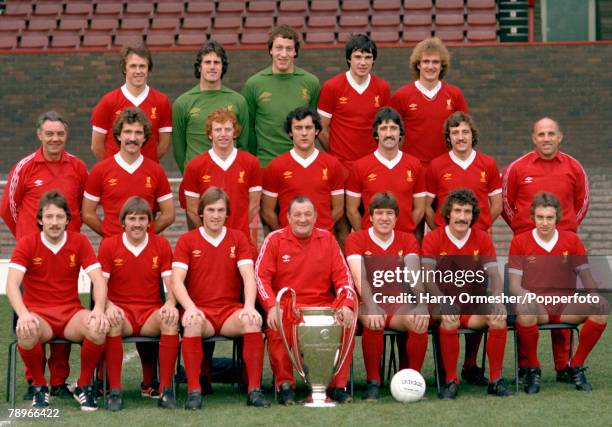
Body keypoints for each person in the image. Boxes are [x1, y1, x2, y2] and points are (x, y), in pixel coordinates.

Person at [0, 111, 88, 400]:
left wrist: (68, 239)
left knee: (65, 311)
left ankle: (60, 381)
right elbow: (8, 208)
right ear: (39, 134)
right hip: (31, 259)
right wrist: (27, 239)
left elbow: (82, 208)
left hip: (65, 256)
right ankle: (33, 382)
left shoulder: (77, 167)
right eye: (49, 133)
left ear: (66, 135)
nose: (55, 139)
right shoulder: (25, 166)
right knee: (29, 320)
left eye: (60, 134)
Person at [502, 117, 589, 382]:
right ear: (534, 138)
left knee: (561, 302)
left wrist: (565, 234)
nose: (547, 138)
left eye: (551, 133)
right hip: (527, 249)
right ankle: (528, 367)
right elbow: (507, 203)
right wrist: (523, 231)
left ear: (560, 137)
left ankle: (564, 367)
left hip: (562, 249)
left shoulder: (574, 167)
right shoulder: (517, 168)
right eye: (541, 134)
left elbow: (581, 204)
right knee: (527, 304)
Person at [6, 191, 109, 411]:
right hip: (39, 315)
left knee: (98, 326)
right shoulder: (28, 243)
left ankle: (83, 386)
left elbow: (99, 280)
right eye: (49, 217)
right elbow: (12, 284)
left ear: (67, 219)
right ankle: (39, 387)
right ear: (40, 219)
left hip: (70, 314)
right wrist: (23, 314)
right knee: (25, 330)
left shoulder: (79, 241)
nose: (54, 222)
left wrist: (99, 309)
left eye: (59, 217)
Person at [170, 187, 271, 409]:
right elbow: (177, 281)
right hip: (200, 310)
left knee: (252, 321)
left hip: (228, 312)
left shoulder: (238, 238)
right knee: (192, 322)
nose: (216, 215)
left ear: (227, 214)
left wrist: (249, 307)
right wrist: (189, 308)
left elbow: (248, 276)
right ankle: (195, 391)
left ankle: (254, 389)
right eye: (211, 210)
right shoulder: (187, 240)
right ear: (201, 213)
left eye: (221, 210)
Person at [256, 196, 356, 404]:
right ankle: (285, 385)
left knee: (346, 319)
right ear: (288, 218)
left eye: (308, 214)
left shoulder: (327, 239)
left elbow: (343, 277)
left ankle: (338, 385)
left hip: (323, 306)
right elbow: (261, 277)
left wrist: (346, 303)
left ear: (315, 217)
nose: (303, 219)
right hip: (288, 307)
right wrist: (270, 306)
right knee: (276, 324)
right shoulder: (274, 239)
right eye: (298, 215)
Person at [509, 192, 608, 394]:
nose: (544, 222)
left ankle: (576, 365)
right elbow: (514, 286)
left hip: (565, 306)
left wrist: (594, 294)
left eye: (549, 217)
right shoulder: (520, 241)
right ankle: (533, 368)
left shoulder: (571, 240)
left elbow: (586, 276)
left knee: (601, 308)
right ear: (533, 217)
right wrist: (525, 295)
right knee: (525, 309)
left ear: (557, 217)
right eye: (540, 217)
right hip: (538, 305)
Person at [421, 189, 513, 399]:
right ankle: (451, 380)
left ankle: (495, 380)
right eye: (458, 211)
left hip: (471, 305)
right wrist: (442, 302)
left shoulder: (481, 238)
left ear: (473, 215)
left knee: (498, 318)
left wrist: (497, 299)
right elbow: (426, 278)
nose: (462, 217)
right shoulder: (433, 238)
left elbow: (494, 275)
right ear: (448, 214)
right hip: (440, 304)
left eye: (467, 212)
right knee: (449, 319)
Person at [345, 192, 429, 401]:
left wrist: (421, 304)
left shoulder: (407, 239)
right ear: (370, 217)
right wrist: (372, 306)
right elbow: (358, 276)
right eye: (379, 213)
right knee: (374, 320)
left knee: (418, 320)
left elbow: (414, 275)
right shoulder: (356, 239)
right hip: (367, 302)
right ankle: (373, 382)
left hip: (397, 303)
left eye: (389, 213)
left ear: (396, 217)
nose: (384, 218)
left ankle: (414, 379)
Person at [98, 197, 180, 411]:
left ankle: (165, 390)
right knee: (112, 321)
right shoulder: (109, 245)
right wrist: (108, 306)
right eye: (132, 218)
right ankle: (115, 391)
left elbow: (170, 282)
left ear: (149, 222)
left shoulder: (161, 244)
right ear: (123, 222)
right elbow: (100, 284)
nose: (137, 223)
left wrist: (170, 303)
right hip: (121, 312)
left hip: (150, 312)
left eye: (142, 219)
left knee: (170, 320)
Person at [83, 107, 175, 238]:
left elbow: (169, 214)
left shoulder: (156, 170)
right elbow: (87, 213)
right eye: (127, 132)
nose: (133, 138)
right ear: (118, 135)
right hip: (112, 251)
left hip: (146, 249)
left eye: (138, 133)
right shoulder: (100, 170)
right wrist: (110, 235)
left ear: (145, 137)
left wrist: (147, 235)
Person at [242, 25, 320, 167]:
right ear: (271, 50)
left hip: (301, 164)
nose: (283, 54)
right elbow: (249, 130)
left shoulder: (311, 82)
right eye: (279, 48)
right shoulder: (253, 84)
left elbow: (314, 127)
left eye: (289, 49)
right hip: (265, 165)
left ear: (295, 51)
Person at [182, 107, 261, 243]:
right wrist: (211, 232)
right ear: (210, 134)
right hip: (207, 242)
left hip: (241, 241)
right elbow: (192, 210)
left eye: (228, 129)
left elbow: (254, 206)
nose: (223, 134)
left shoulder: (251, 162)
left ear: (235, 133)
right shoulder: (195, 165)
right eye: (218, 130)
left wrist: (236, 231)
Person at [172, 40, 250, 174]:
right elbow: (179, 149)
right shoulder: (182, 103)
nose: (212, 67)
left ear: (223, 66)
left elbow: (243, 145)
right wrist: (190, 173)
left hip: (230, 175)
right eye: (207, 62)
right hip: (197, 177)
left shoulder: (238, 101)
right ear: (199, 67)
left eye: (217, 62)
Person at [262, 107, 344, 233]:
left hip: (322, 241)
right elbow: (268, 211)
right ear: (290, 132)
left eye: (309, 127)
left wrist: (321, 231)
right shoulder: (276, 166)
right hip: (288, 241)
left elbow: (338, 209)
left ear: (316, 130)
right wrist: (284, 233)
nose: (304, 133)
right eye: (298, 128)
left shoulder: (332, 164)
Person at [346, 107, 426, 234]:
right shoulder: (360, 166)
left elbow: (420, 209)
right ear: (376, 133)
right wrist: (367, 236)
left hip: (404, 243)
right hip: (371, 244)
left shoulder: (415, 165)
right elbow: (351, 210)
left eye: (393, 128)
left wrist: (404, 234)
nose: (389, 134)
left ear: (400, 133)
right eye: (383, 129)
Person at [390, 37, 468, 166]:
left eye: (435, 62)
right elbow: (391, 133)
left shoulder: (455, 95)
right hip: (412, 168)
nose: (430, 66)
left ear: (442, 66)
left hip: (446, 167)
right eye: (426, 61)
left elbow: (465, 133)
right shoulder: (401, 96)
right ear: (418, 65)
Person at [317, 33, 391, 168]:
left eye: (368, 57)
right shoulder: (332, 87)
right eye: (358, 57)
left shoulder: (382, 88)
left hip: (373, 165)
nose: (363, 62)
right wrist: (336, 154)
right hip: (341, 166)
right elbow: (321, 128)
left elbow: (386, 128)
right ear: (349, 59)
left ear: (373, 60)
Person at [91, 43, 172, 162]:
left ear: (148, 68)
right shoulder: (108, 101)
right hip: (115, 176)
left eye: (142, 66)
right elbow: (97, 146)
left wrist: (144, 164)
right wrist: (114, 167)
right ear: (125, 68)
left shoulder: (161, 101)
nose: (138, 71)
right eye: (133, 66)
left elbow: (164, 145)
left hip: (147, 174)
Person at [425, 111, 502, 232]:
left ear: (473, 135)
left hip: (478, 240)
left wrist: (481, 228)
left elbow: (497, 206)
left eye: (465, 132)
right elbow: (426, 206)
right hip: (446, 240)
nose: (460, 137)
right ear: (449, 137)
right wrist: (439, 232)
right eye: (455, 133)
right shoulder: (436, 165)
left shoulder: (488, 163)